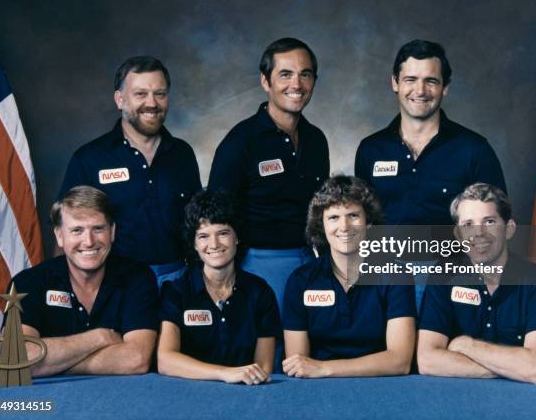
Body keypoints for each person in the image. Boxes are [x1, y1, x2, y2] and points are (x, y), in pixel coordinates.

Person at [208, 38, 329, 311]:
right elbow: (216, 215)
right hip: (256, 264)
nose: (296, 85)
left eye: (305, 74)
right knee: (269, 349)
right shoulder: (240, 142)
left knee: (310, 346)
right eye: (285, 74)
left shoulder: (317, 140)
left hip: (309, 261)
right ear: (266, 81)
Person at [58, 55, 201, 285]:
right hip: (114, 283)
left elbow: (198, 224)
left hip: (177, 281)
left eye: (160, 94)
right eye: (141, 94)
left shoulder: (182, 154)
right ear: (120, 99)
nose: (152, 103)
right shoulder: (90, 159)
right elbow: (65, 230)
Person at [10, 186, 159, 377]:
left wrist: (51, 364)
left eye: (98, 229)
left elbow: (136, 360)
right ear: (60, 236)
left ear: (112, 232)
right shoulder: (27, 283)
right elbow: (16, 358)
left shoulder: (137, 278)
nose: (88, 241)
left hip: (123, 400)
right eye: (77, 230)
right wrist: (99, 337)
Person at [417, 183, 536, 384]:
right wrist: (512, 368)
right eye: (468, 225)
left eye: (489, 221)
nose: (479, 233)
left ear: (509, 229)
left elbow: (535, 368)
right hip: (455, 399)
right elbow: (427, 360)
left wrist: (466, 345)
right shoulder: (443, 277)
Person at [355, 39, 506, 226]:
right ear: (395, 83)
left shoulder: (474, 150)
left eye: (431, 81)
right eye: (410, 80)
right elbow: (361, 223)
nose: (420, 91)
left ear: (445, 88)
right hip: (386, 256)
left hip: (452, 256)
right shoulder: (370, 150)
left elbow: (495, 225)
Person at [282, 175, 416, 378]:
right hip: (319, 391)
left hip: (382, 386)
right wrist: (318, 371)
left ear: (368, 222)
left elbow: (400, 361)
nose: (344, 226)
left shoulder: (395, 275)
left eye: (353, 215)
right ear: (322, 225)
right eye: (333, 217)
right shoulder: (301, 281)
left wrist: (325, 368)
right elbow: (298, 364)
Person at [157, 190, 280, 385]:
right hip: (187, 394)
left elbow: (263, 367)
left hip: (245, 393)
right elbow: (165, 360)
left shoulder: (260, 292)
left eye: (223, 233)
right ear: (194, 244)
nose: (213, 244)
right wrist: (225, 374)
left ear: (237, 237)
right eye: (203, 236)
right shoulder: (176, 292)